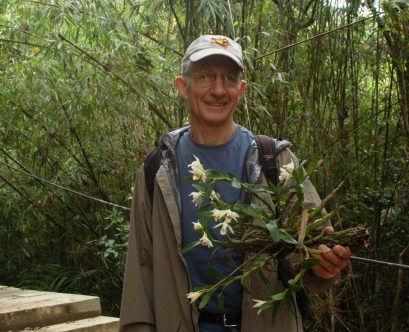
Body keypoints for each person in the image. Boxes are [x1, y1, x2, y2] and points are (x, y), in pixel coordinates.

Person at [119, 35, 351, 332]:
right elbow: (142, 266)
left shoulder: (275, 161)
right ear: (183, 86)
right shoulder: (159, 168)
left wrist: (322, 264)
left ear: (240, 90)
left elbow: (310, 252)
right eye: (205, 77)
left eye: (229, 78)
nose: (218, 90)